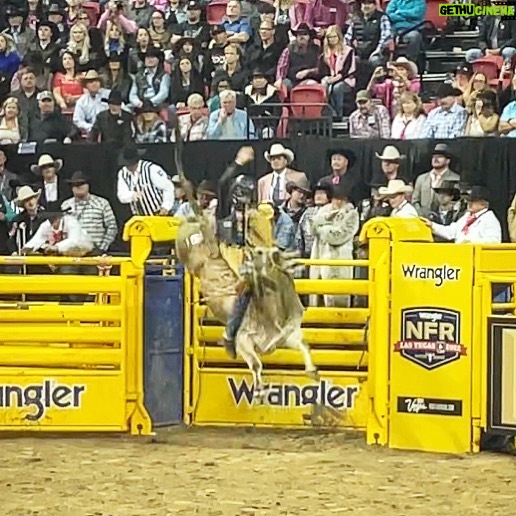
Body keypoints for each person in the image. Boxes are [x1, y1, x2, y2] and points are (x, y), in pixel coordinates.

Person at [421, 186, 502, 244]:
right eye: (468, 200)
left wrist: (471, 242)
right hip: (462, 255)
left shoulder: (490, 219)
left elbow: (494, 241)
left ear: (483, 204)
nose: (469, 203)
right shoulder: (467, 216)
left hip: (477, 259)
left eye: (472, 201)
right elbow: (451, 231)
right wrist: (432, 225)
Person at [116, 145, 175, 216]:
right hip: (139, 216)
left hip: (159, 213)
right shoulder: (122, 173)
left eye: (131, 164)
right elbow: (121, 195)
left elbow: (168, 188)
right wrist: (132, 195)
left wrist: (166, 206)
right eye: (127, 165)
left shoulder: (151, 169)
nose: (129, 167)